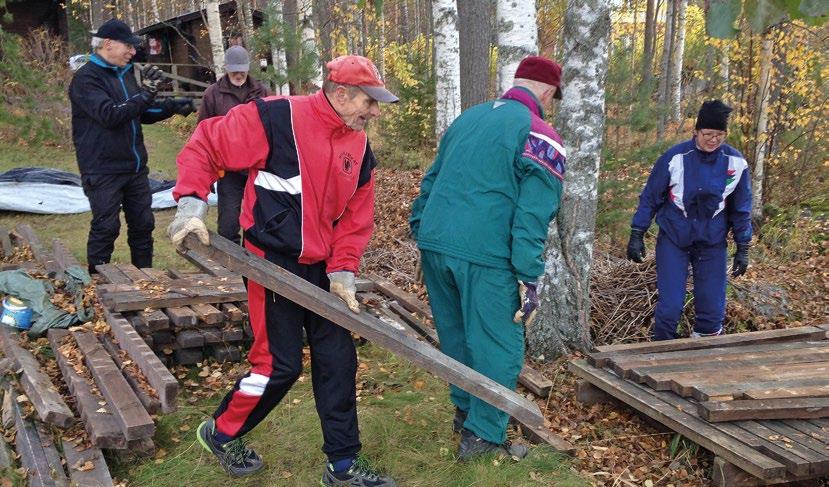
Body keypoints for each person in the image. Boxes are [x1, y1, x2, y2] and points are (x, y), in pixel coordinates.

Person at [167, 55, 398, 485]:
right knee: (278, 365)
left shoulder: (359, 146)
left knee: (338, 359)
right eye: (370, 102)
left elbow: (355, 216)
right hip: (271, 264)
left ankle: (343, 466)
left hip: (323, 268)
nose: (375, 112)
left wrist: (344, 270)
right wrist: (190, 205)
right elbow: (206, 145)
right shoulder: (275, 117)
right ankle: (220, 433)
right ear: (342, 94)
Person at [409, 56, 566, 461]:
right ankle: (482, 436)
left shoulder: (468, 119)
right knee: (498, 344)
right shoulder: (540, 134)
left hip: (437, 243)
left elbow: (431, 179)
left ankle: (465, 412)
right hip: (487, 254)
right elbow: (532, 215)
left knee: (457, 334)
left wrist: (421, 227)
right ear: (547, 92)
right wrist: (528, 275)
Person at [68, 18, 195, 275]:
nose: (133, 51)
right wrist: (146, 92)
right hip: (103, 169)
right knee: (106, 227)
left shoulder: (124, 74)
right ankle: (96, 282)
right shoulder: (86, 80)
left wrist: (173, 106)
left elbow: (140, 112)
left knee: (143, 225)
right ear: (108, 44)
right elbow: (111, 115)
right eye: (128, 45)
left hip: (135, 168)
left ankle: (144, 278)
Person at [626, 100, 752, 341]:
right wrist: (637, 232)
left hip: (712, 242)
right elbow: (651, 197)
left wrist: (743, 247)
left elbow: (741, 208)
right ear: (696, 131)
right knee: (671, 305)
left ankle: (703, 360)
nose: (713, 140)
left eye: (720, 135)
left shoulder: (736, 163)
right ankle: (662, 354)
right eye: (708, 134)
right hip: (674, 239)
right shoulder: (675, 158)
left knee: (712, 309)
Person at [198, 45, 270, 245]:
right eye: (234, 69)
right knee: (228, 224)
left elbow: (273, 129)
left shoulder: (262, 91)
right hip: (228, 170)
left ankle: (254, 265)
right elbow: (203, 133)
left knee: (257, 222)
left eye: (242, 69)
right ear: (226, 68)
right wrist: (206, 171)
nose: (239, 74)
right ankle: (228, 268)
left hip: (257, 169)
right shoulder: (213, 94)